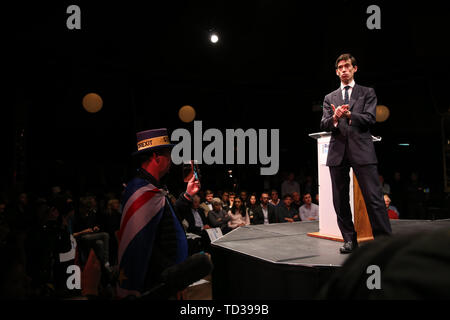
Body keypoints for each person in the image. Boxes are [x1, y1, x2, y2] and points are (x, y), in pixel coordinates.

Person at [320, 53, 391, 254]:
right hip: (337, 153)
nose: (343, 70)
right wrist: (334, 117)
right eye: (340, 67)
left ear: (354, 69)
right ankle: (350, 240)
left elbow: (370, 119)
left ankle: (383, 242)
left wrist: (350, 114)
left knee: (374, 198)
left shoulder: (367, 92)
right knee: (340, 200)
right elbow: (323, 124)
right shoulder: (329, 98)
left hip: (362, 151)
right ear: (336, 71)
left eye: (347, 66)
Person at [117, 128, 200, 298]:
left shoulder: (152, 189)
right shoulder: (142, 193)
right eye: (168, 155)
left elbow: (166, 222)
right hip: (160, 287)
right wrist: (173, 277)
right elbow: (144, 246)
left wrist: (188, 195)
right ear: (156, 157)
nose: (171, 160)